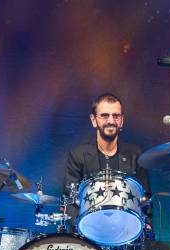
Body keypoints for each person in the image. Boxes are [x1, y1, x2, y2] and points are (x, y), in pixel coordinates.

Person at [62, 92, 151, 228]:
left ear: (122, 120)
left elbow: (145, 199)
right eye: (104, 116)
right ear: (93, 120)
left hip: (125, 231)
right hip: (89, 233)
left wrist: (146, 224)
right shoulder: (78, 155)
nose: (110, 121)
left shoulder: (135, 154)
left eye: (116, 116)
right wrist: (81, 228)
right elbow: (69, 201)